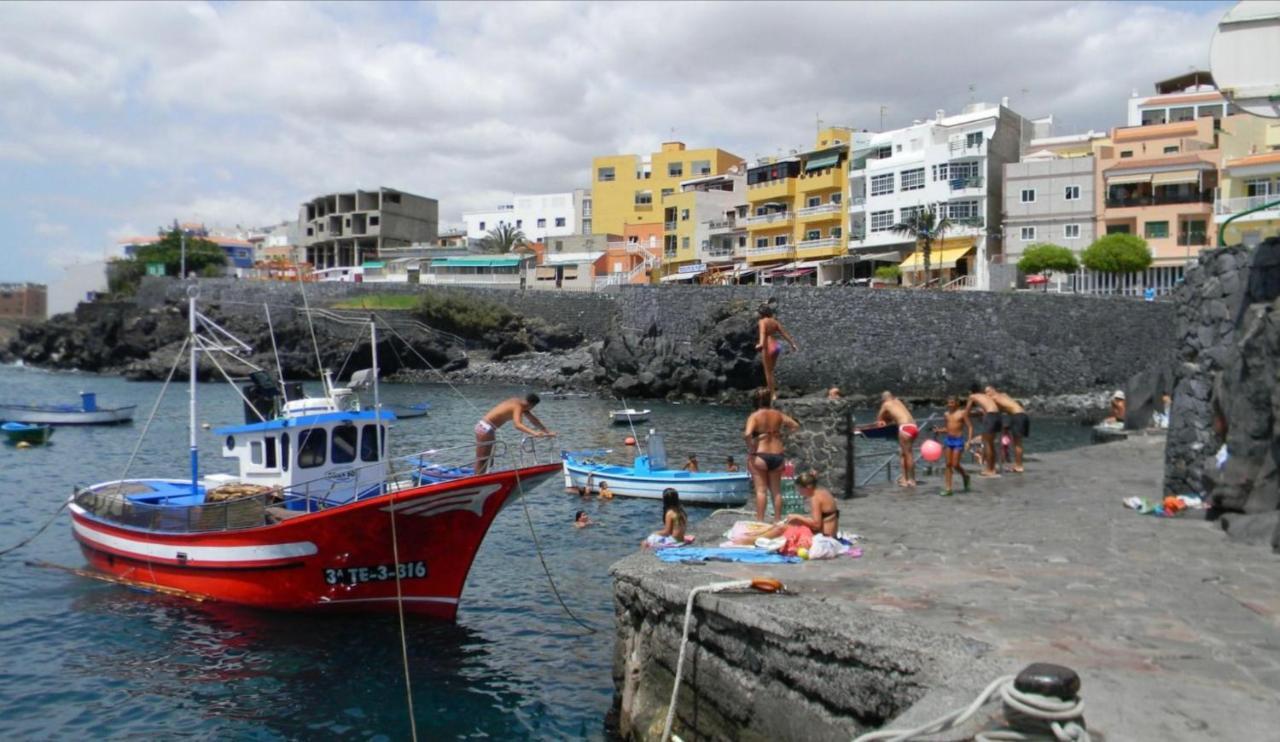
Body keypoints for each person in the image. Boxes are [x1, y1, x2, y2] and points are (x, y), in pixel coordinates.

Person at [743, 388, 800, 522]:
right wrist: (782, 435)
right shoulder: (778, 414)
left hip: (760, 454)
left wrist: (751, 445)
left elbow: (747, 434)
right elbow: (795, 426)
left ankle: (760, 521)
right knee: (776, 491)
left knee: (761, 491)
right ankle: (778, 520)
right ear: (769, 400)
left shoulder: (754, 416)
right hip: (777, 455)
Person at [475, 393, 555, 473]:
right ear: (532, 405)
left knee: (490, 459)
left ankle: (484, 475)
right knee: (483, 459)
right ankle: (477, 479)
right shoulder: (518, 406)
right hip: (485, 428)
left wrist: (547, 432)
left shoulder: (520, 404)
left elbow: (533, 420)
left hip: (486, 428)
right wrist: (534, 433)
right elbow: (517, 425)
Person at [755, 304, 798, 401]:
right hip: (776, 346)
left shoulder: (762, 322)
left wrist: (760, 345)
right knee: (771, 371)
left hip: (767, 346)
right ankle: (771, 391)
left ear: (761, 313)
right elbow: (784, 333)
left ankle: (772, 395)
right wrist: (793, 344)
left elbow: (762, 334)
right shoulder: (775, 322)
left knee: (768, 372)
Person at [876, 391, 918, 487]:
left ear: (883, 399)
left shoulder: (886, 404)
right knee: (904, 453)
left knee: (907, 454)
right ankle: (907, 478)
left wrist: (883, 421)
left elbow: (879, 419)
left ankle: (909, 480)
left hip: (905, 428)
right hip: (914, 426)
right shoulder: (898, 401)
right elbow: (898, 414)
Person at [985, 385, 1029, 473]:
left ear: (993, 390)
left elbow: (994, 411)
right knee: (1018, 443)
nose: (986, 394)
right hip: (1023, 415)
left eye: (987, 392)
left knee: (1017, 443)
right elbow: (1007, 406)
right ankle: (1018, 464)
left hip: (1017, 416)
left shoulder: (994, 398)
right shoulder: (1004, 395)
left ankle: (1019, 466)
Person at [934, 396, 971, 497]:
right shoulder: (946, 414)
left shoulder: (962, 413)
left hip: (958, 441)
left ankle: (965, 476)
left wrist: (968, 441)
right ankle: (948, 488)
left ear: (957, 404)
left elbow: (970, 426)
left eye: (952, 403)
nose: (950, 405)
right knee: (948, 464)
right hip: (948, 440)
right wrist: (939, 431)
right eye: (948, 403)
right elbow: (947, 428)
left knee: (955, 464)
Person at [964, 386, 1002, 477]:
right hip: (997, 415)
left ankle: (989, 470)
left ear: (970, 392)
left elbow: (966, 412)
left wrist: (967, 416)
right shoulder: (986, 396)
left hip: (990, 416)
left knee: (987, 444)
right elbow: (986, 409)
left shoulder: (972, 396)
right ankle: (992, 468)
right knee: (991, 444)